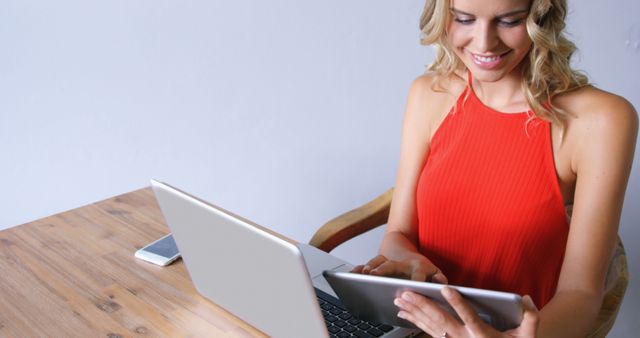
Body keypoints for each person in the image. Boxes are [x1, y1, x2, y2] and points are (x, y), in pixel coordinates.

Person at [352, 0, 638, 337]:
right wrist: (409, 260)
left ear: (540, 17)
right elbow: (398, 233)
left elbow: (581, 294)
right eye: (464, 19)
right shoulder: (430, 94)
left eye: (509, 20)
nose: (484, 43)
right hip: (417, 328)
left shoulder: (600, 120)